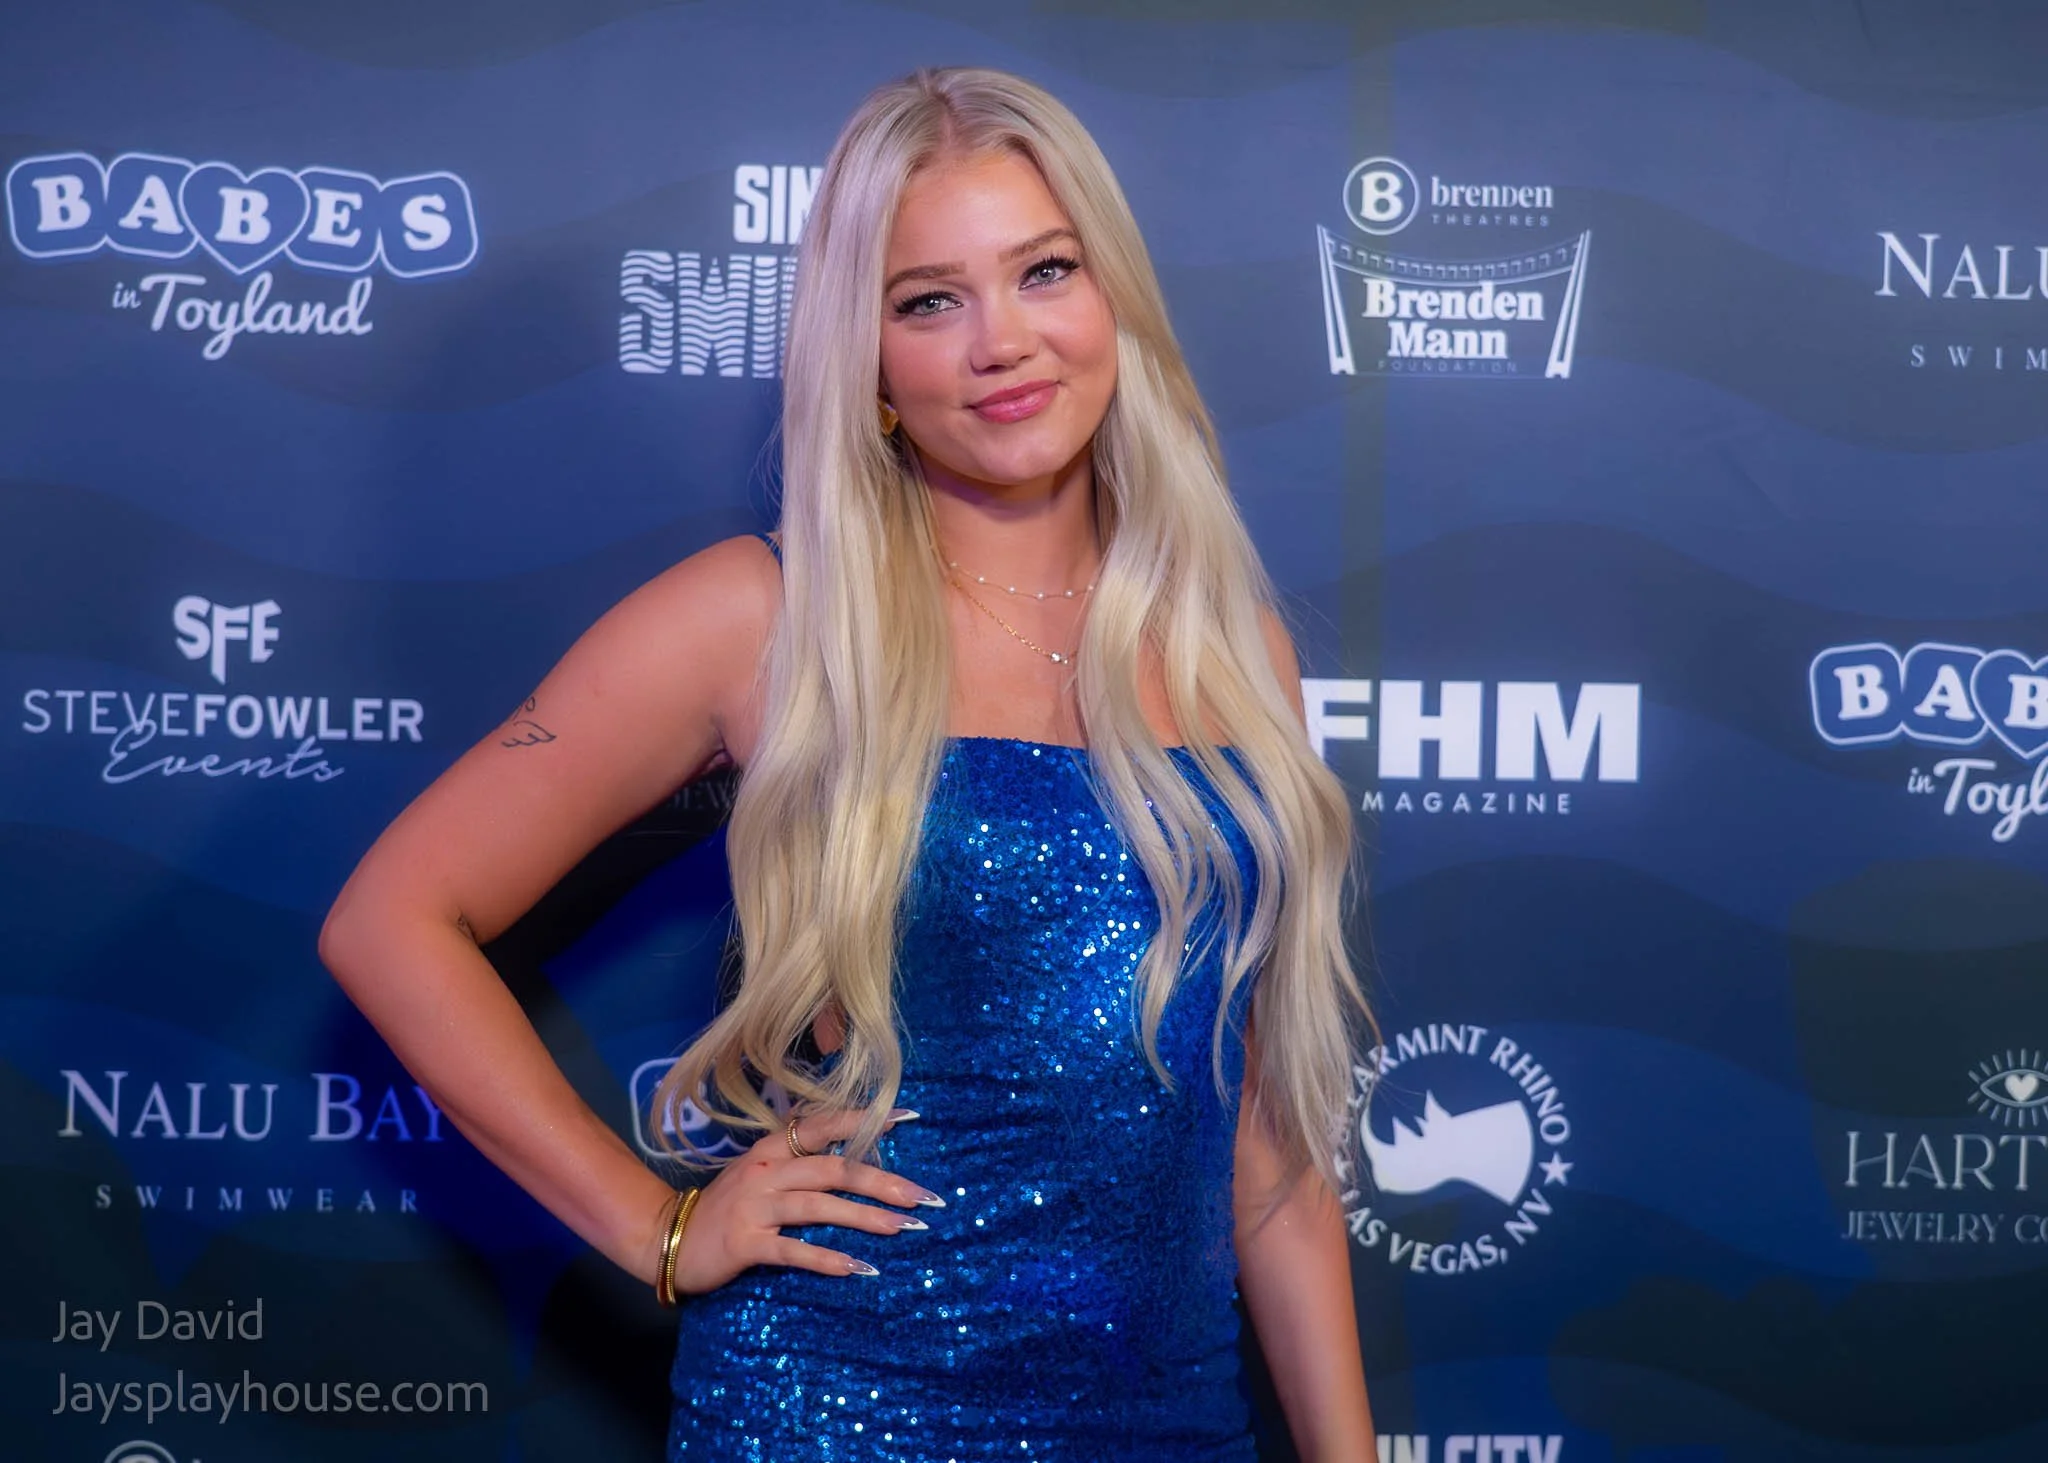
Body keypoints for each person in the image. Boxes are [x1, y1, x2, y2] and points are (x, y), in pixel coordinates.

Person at [320, 65, 1377, 1461]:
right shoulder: (763, 616)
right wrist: (659, 1228)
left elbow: (1264, 1139)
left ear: (1112, 296)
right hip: (838, 1407)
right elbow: (391, 921)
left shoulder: (1230, 647)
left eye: (1044, 271)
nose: (1001, 341)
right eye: (929, 301)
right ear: (868, 360)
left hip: (1169, 1419)